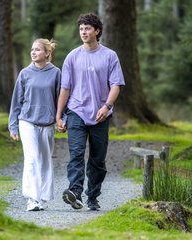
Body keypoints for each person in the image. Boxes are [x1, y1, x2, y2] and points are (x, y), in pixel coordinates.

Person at [56, 13, 125, 211]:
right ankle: (74, 192)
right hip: (76, 111)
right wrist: (59, 115)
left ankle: (93, 196)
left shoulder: (110, 56)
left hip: (100, 114)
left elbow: (116, 86)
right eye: (81, 29)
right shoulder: (72, 56)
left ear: (97, 31)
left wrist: (107, 107)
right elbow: (65, 89)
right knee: (76, 153)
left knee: (97, 159)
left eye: (87, 28)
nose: (83, 32)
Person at [8, 38, 61, 211]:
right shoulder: (25, 73)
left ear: (47, 53)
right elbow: (16, 102)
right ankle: (32, 198)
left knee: (45, 160)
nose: (33, 52)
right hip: (27, 121)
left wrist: (62, 119)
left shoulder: (56, 73)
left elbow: (61, 99)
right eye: (32, 49)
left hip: (47, 122)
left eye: (37, 50)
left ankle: (43, 197)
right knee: (31, 159)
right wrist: (13, 126)